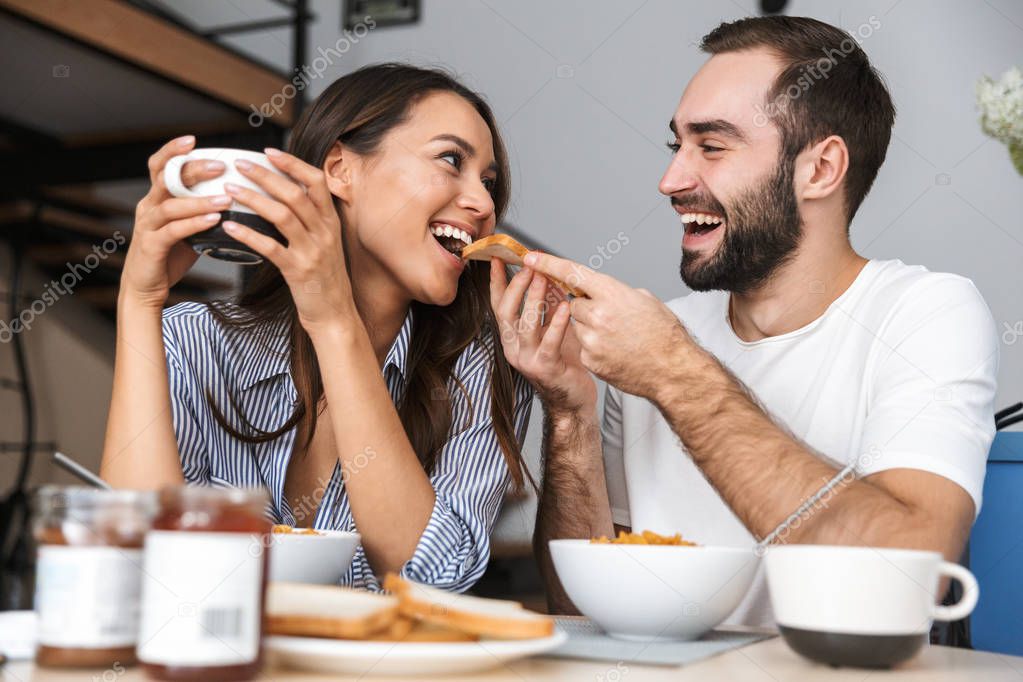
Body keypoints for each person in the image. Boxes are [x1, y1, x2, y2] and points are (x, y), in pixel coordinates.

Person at [494, 16, 998, 625]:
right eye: (675, 145)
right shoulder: (661, 334)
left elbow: (901, 574)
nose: (671, 180)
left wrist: (671, 372)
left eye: (712, 146)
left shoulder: (925, 314)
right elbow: (582, 609)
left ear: (820, 169)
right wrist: (569, 411)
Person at [100, 63, 534, 592]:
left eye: (488, 183)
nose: (485, 204)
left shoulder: (484, 366)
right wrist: (139, 302)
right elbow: (136, 563)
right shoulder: (196, 342)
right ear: (340, 168)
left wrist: (333, 321)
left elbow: (433, 576)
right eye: (451, 160)